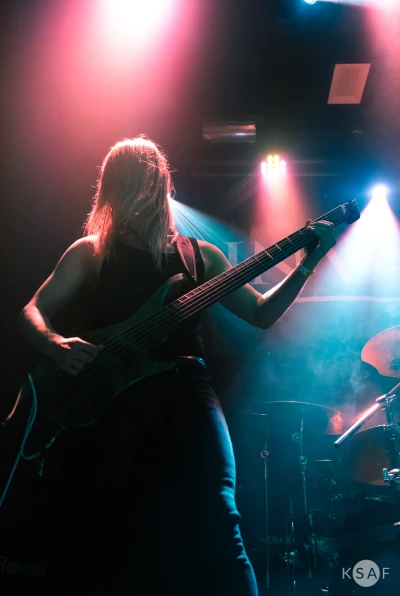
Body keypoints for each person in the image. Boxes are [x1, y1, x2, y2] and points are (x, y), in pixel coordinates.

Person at [17, 137, 336, 595]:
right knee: (121, 529)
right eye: (134, 183)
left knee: (219, 515)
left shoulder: (200, 255)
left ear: (162, 185)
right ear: (116, 189)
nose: (145, 194)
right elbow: (32, 310)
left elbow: (261, 313)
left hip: (187, 394)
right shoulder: (91, 251)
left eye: (151, 182)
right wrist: (56, 346)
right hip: (111, 401)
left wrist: (307, 264)